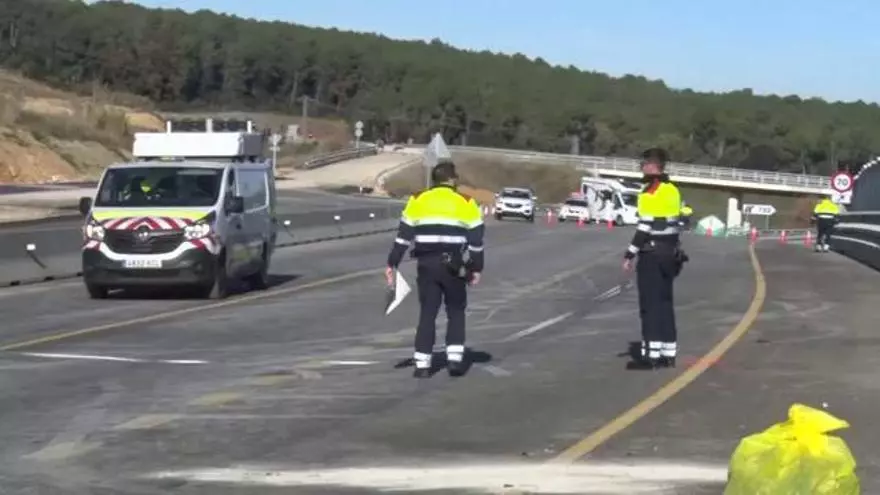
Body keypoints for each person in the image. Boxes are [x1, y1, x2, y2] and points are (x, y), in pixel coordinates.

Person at [385, 160, 484, 378]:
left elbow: (403, 237)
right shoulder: (466, 202)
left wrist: (392, 263)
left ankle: (422, 364)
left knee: (428, 313)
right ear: (452, 179)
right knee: (456, 310)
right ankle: (455, 361)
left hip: (426, 264)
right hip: (454, 266)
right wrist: (476, 267)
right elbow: (476, 240)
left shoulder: (417, 199)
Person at [622, 147, 686, 370]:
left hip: (652, 254)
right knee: (665, 303)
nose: (642, 167)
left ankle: (650, 356)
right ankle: (668, 354)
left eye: (644, 163)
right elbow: (678, 221)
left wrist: (630, 253)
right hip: (670, 254)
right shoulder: (673, 190)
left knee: (649, 306)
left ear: (652, 166)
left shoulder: (650, 191)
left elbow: (644, 226)